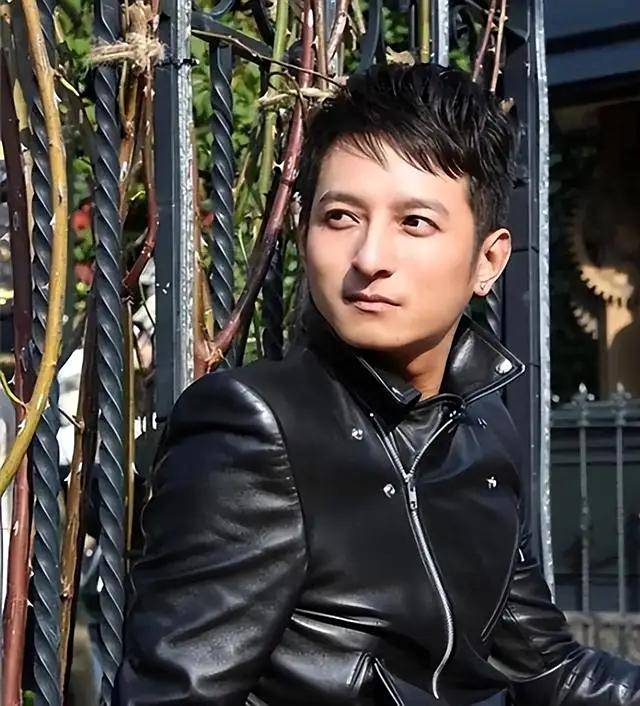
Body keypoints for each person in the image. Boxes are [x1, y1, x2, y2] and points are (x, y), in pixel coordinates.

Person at [114, 63, 640, 705]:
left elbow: (546, 670)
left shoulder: (479, 430)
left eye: (414, 223)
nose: (368, 258)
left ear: (489, 260)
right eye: (340, 217)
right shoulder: (256, 426)